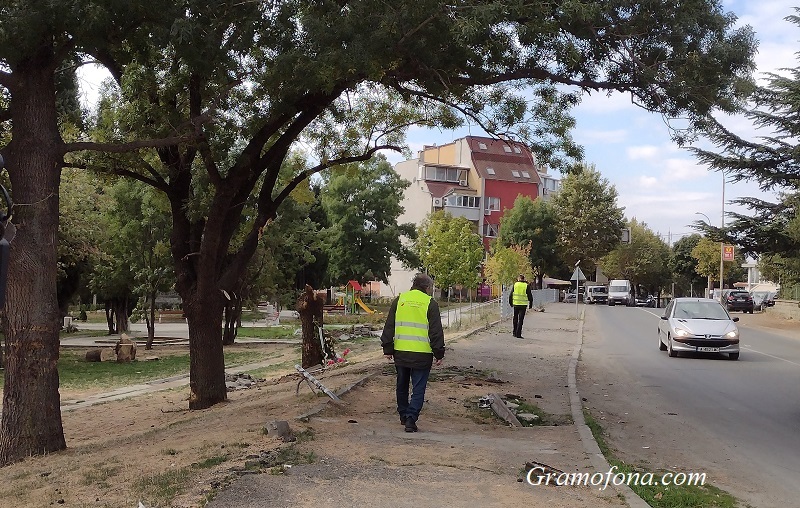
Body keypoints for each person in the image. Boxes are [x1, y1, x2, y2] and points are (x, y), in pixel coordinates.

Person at [381, 273, 445, 433]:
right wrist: (439, 353)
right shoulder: (430, 303)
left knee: (401, 385)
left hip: (401, 352)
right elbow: (435, 331)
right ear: (427, 287)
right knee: (418, 388)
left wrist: (387, 348)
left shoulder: (399, 300)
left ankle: (403, 414)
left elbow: (389, 325)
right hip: (422, 355)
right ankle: (411, 418)